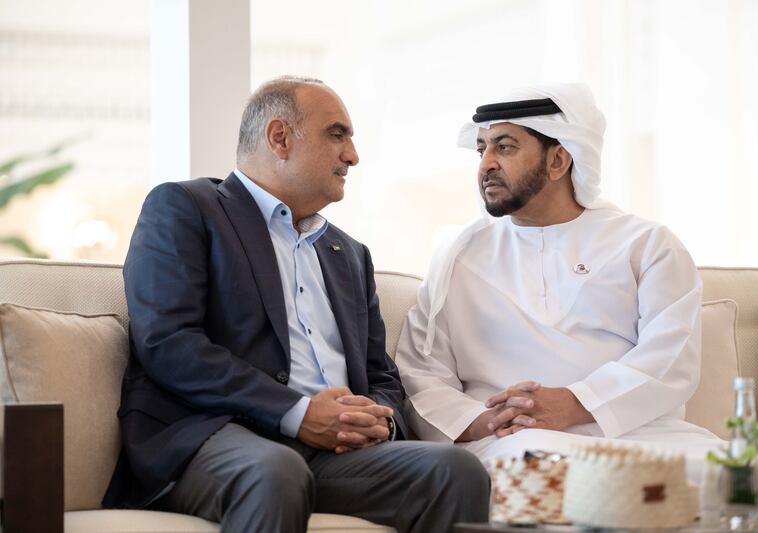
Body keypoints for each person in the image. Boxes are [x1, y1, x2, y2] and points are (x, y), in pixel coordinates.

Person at [102, 76, 490, 533]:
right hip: (215, 438)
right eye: (337, 134)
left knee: (455, 470)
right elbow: (168, 342)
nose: (353, 155)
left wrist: (374, 421)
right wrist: (297, 413)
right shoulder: (187, 207)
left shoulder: (349, 253)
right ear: (280, 138)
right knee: (274, 471)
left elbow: (379, 371)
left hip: (333, 454)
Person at [394, 83, 724, 481]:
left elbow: (670, 360)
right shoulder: (457, 255)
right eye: (482, 149)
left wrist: (574, 403)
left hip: (640, 434)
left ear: (559, 160)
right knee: (545, 474)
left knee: (748, 477)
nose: (486, 165)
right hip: (510, 442)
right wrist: (483, 422)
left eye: (505, 147)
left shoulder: (646, 244)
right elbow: (421, 370)